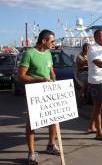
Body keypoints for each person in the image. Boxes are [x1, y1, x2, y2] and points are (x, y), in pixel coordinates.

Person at [18, 29, 60, 165]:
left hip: (48, 92)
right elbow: (21, 76)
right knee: (32, 123)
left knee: (54, 118)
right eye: (52, 41)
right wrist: (39, 80)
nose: (54, 43)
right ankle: (31, 153)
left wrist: (53, 76)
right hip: (34, 93)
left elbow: (50, 69)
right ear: (44, 41)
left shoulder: (48, 54)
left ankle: (50, 145)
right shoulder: (29, 53)